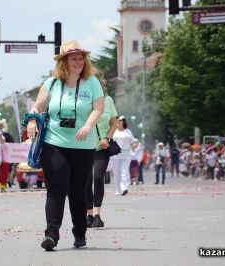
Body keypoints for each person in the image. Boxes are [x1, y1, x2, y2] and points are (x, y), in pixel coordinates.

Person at [25, 40, 104, 251]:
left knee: (78, 191)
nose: (79, 62)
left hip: (83, 146)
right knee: (56, 189)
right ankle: (51, 234)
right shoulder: (51, 83)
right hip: (54, 143)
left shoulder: (92, 82)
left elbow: (98, 108)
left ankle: (80, 233)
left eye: (81, 58)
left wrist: (88, 125)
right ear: (64, 62)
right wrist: (32, 119)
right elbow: (38, 105)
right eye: (74, 58)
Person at [86, 69, 118, 228]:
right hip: (83, 146)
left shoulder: (108, 100)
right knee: (85, 180)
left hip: (101, 146)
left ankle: (97, 213)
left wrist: (108, 137)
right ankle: (88, 213)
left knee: (98, 177)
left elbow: (114, 122)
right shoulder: (82, 100)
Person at [111, 116, 137, 195]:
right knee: (116, 173)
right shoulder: (113, 131)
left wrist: (134, 145)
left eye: (120, 120)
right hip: (115, 156)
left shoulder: (128, 131)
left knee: (124, 172)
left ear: (123, 121)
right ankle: (117, 190)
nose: (118, 121)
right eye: (117, 120)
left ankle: (123, 188)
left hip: (126, 156)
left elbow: (133, 142)